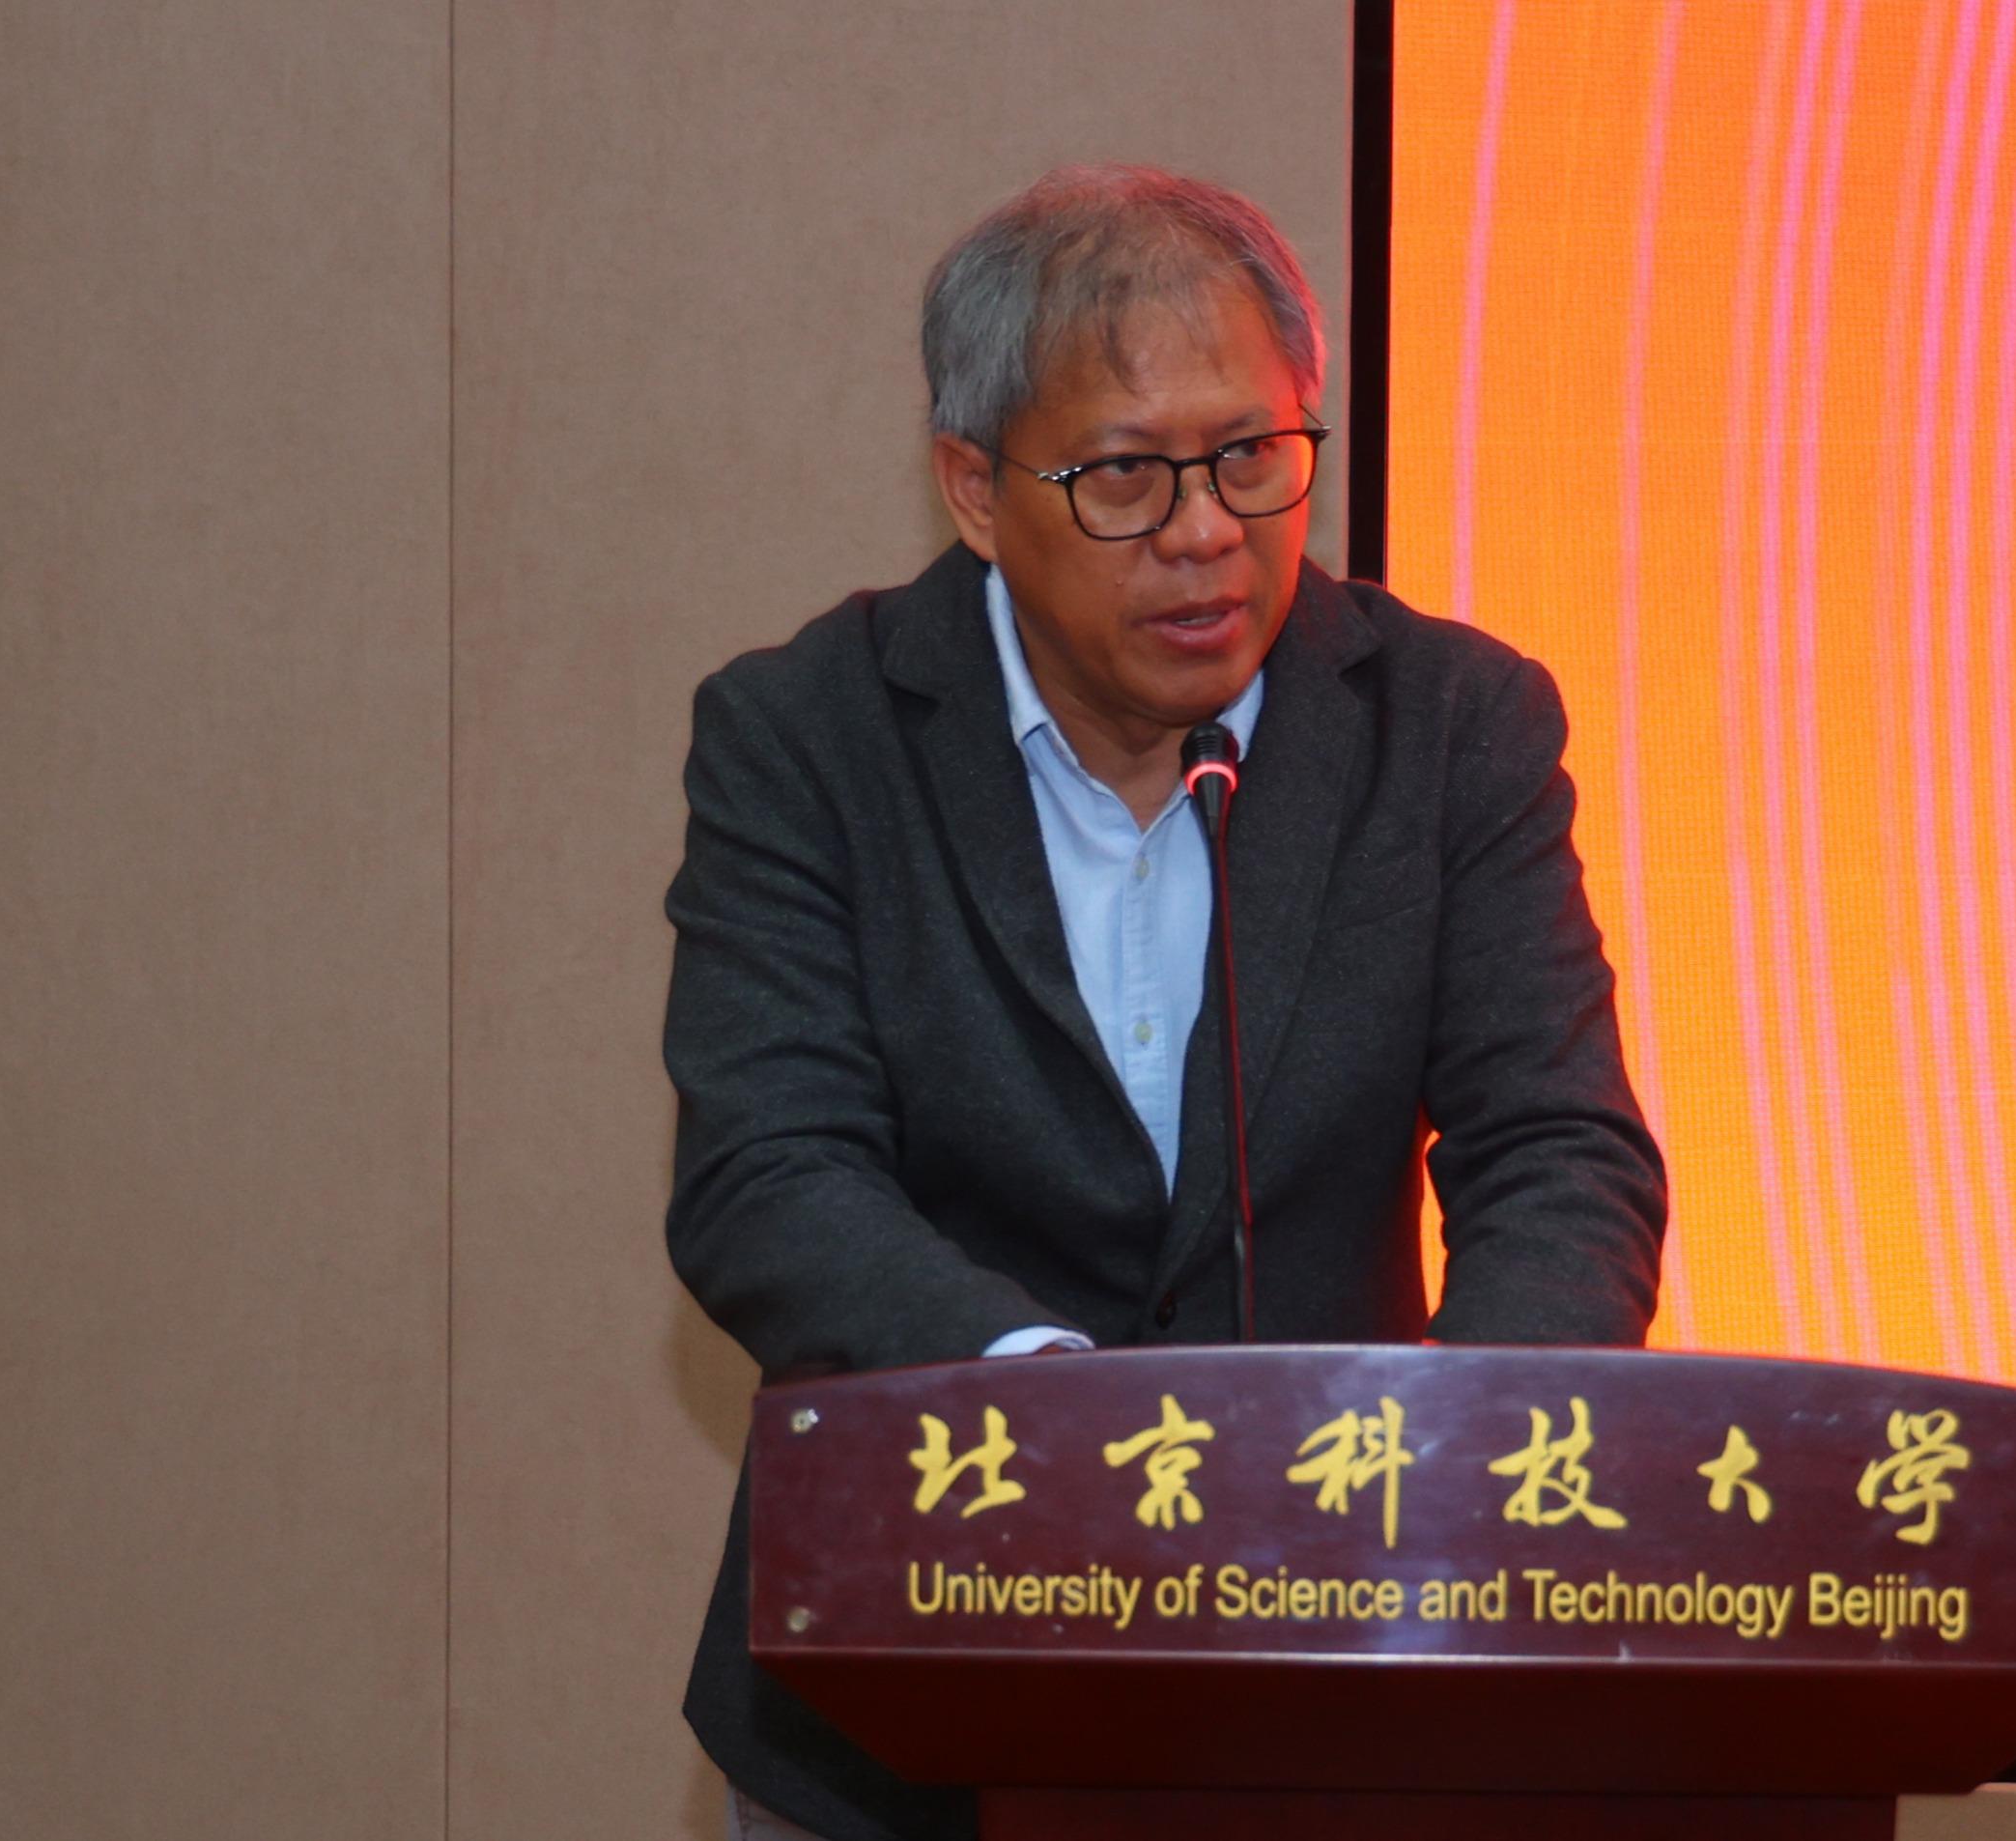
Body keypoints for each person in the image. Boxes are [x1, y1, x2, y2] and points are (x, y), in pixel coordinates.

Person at [663, 163, 1668, 1841]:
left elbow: (1561, 1154)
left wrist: (1457, 1461)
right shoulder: (807, 739)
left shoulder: (1448, 726)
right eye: (1126, 474)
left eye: (1252, 457)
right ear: (975, 488)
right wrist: (1055, 1414)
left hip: (1347, 1681)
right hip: (904, 1702)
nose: (1206, 531)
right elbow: (772, 1177)